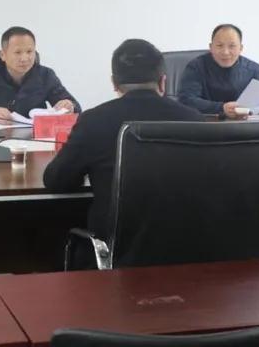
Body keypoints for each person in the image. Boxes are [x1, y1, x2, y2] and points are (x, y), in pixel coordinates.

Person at [43, 39, 204, 249]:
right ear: (163, 81)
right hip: (189, 250)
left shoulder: (94, 120)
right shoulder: (194, 119)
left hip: (117, 252)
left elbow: (56, 179)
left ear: (114, 83)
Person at [0, 26, 80, 122]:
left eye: (29, 51)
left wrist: (69, 106)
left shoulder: (46, 75)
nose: (24, 58)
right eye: (18, 52)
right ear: (3, 55)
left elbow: (76, 107)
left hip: (32, 137)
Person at [178, 24, 259, 119]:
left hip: (244, 124)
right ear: (211, 47)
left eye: (232, 46)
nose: (225, 52)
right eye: (219, 45)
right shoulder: (196, 67)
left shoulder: (253, 69)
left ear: (240, 48)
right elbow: (186, 100)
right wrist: (221, 108)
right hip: (206, 123)